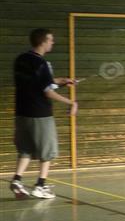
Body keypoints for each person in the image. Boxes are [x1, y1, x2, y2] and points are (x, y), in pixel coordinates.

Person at [11, 28, 77, 200]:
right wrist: (71, 102)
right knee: (47, 152)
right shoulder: (42, 63)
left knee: (25, 149)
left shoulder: (21, 59)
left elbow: (37, 82)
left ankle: (17, 180)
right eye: (50, 40)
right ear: (43, 42)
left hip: (21, 113)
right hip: (40, 114)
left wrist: (62, 81)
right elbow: (47, 92)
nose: (52, 42)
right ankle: (40, 186)